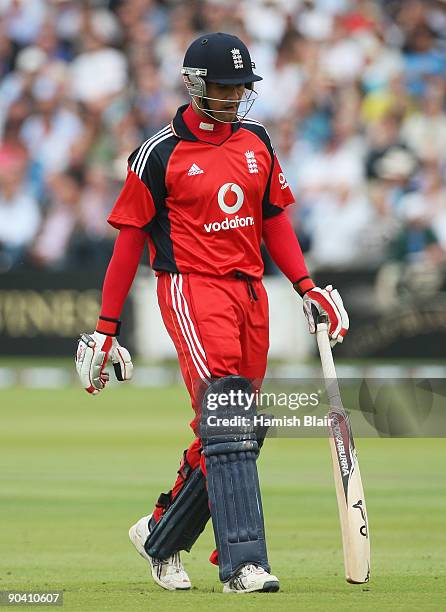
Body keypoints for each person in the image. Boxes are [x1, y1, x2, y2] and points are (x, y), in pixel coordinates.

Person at [75, 32, 349, 594]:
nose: (233, 98)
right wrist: (106, 329)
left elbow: (273, 217)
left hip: (251, 292)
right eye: (223, 88)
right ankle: (242, 564)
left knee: (242, 428)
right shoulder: (159, 152)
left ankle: (161, 534)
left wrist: (306, 287)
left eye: (240, 88)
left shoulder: (257, 140)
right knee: (226, 416)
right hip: (191, 288)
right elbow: (128, 242)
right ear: (196, 85)